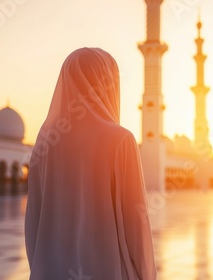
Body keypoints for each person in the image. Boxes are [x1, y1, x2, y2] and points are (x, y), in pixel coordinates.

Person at [24, 48, 156, 279]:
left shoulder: (45, 141)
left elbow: (33, 220)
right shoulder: (120, 140)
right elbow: (137, 225)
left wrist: (42, 267)